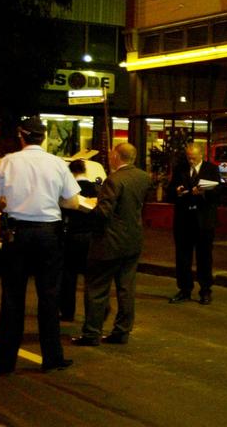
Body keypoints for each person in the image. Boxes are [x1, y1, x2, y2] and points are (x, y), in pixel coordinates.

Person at [0, 117, 80, 375]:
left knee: (12, 298)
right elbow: (72, 202)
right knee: (49, 297)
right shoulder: (58, 163)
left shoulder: (8, 161)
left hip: (17, 234)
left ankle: (5, 362)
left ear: (21, 136)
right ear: (44, 137)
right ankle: (52, 358)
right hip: (49, 234)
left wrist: (13, 203)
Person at [73, 143, 150, 346]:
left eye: (111, 155)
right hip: (132, 240)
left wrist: (86, 208)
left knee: (97, 288)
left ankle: (91, 333)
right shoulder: (143, 177)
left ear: (117, 156)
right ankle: (122, 331)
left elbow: (104, 212)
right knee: (126, 288)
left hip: (109, 242)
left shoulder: (113, 180)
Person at [166, 144, 223, 305]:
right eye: (188, 157)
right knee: (183, 256)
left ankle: (205, 290)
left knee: (204, 256)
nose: (190, 160)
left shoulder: (211, 169)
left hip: (203, 220)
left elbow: (218, 192)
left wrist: (204, 192)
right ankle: (184, 289)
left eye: (193, 157)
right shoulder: (180, 169)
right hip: (184, 219)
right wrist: (176, 191)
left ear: (201, 155)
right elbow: (169, 190)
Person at [59, 159, 100, 322]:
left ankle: (68, 311)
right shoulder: (95, 188)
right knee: (92, 277)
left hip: (72, 236)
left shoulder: (68, 190)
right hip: (91, 236)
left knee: (69, 276)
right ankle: (95, 312)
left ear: (71, 173)